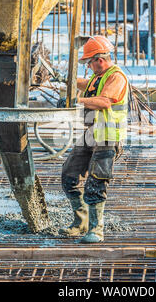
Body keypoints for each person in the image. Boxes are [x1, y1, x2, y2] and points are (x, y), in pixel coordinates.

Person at [59, 35, 129, 243]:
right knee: (69, 175)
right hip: (91, 135)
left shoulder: (116, 77)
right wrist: (64, 80)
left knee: (96, 183)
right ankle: (80, 222)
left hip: (108, 138)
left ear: (100, 59)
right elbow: (86, 84)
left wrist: (75, 100)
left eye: (89, 62)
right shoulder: (99, 77)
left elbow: (104, 101)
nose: (88, 66)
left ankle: (96, 230)